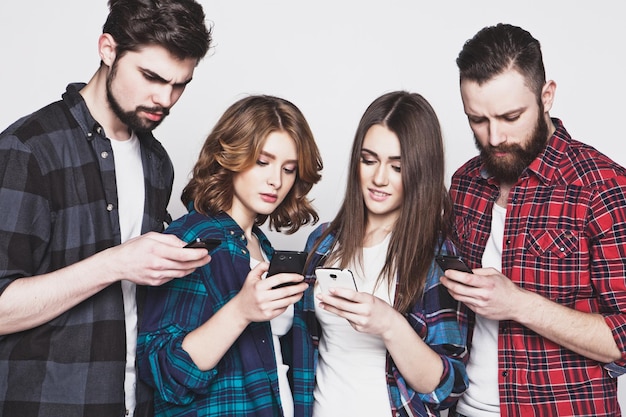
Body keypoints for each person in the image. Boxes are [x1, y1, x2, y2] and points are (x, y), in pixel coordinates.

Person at [0, 1, 212, 416]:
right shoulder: (28, 149)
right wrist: (115, 263)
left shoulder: (156, 162)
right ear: (108, 49)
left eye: (180, 84)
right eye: (151, 76)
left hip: (135, 403)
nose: (164, 98)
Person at [440, 23, 626, 417]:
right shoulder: (465, 183)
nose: (494, 138)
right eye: (477, 119)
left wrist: (518, 304)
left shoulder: (602, 187)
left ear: (547, 96)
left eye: (510, 117)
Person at [136, 95, 323, 417]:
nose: (276, 181)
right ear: (231, 156)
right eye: (262, 162)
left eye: (288, 169)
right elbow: (162, 372)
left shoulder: (264, 250)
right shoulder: (191, 241)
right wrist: (240, 311)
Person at [302, 91, 469, 417]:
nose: (379, 178)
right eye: (369, 160)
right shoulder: (321, 243)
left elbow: (449, 388)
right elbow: (305, 350)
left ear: (420, 171)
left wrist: (389, 324)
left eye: (397, 166)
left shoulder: (436, 258)